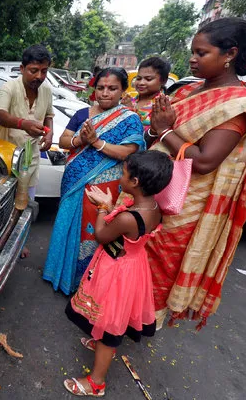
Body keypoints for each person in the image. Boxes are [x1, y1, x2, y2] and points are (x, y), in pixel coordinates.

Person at [145, 17, 246, 330]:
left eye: (202, 53)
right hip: (148, 190)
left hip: (183, 208)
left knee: (156, 270)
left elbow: (203, 161)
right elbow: (155, 135)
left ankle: (132, 326)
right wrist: (157, 131)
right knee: (131, 259)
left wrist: (164, 130)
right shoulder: (188, 91)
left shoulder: (237, 104)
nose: (193, 59)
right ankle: (116, 320)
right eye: (193, 52)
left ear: (229, 54)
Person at [63, 150, 174, 397]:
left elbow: (102, 235)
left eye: (123, 174)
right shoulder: (154, 207)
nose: (120, 177)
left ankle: (96, 382)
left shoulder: (128, 217)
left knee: (110, 323)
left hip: (116, 272)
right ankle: (100, 341)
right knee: (110, 316)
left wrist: (102, 207)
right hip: (133, 266)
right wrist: (113, 206)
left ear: (135, 182)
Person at [43, 67, 145, 295]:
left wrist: (97, 142)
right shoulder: (82, 114)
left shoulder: (129, 119)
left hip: (105, 187)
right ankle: (61, 275)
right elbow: (64, 140)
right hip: (74, 182)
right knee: (69, 226)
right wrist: (82, 139)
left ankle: (87, 285)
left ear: (123, 91)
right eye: (100, 88)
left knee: (94, 232)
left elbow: (129, 152)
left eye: (112, 88)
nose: (105, 93)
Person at [0, 44, 55, 201]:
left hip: (31, 160)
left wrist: (49, 133)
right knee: (3, 207)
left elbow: (49, 114)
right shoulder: (10, 87)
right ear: (22, 68)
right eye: (34, 70)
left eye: (44, 71)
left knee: (26, 205)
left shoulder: (46, 89)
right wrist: (23, 123)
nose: (39, 76)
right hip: (6, 160)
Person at [122, 56, 171, 130]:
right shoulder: (130, 100)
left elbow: (151, 132)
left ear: (163, 80)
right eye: (138, 78)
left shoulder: (163, 105)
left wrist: (130, 111)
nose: (141, 83)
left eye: (148, 79)